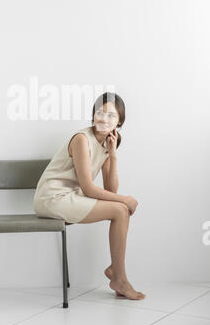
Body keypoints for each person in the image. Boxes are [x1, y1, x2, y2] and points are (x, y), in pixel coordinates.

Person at [33, 92, 145, 300]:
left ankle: (117, 273)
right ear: (93, 115)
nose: (104, 119)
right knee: (121, 209)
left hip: (71, 196)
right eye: (99, 113)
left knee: (120, 210)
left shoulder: (108, 142)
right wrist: (126, 199)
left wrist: (112, 155)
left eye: (111, 115)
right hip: (52, 197)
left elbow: (110, 189)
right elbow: (88, 188)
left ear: (119, 121)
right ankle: (118, 276)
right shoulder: (82, 140)